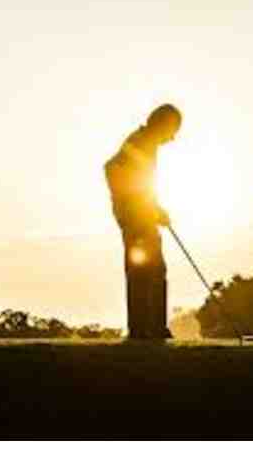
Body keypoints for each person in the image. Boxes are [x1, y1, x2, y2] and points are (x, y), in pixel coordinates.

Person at [104, 104, 182, 339]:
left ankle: (151, 328)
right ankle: (145, 329)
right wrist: (130, 205)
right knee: (146, 269)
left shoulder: (145, 142)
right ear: (163, 124)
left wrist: (155, 209)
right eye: (173, 130)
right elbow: (112, 168)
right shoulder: (141, 141)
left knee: (152, 269)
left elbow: (141, 182)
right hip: (135, 217)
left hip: (140, 214)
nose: (172, 137)